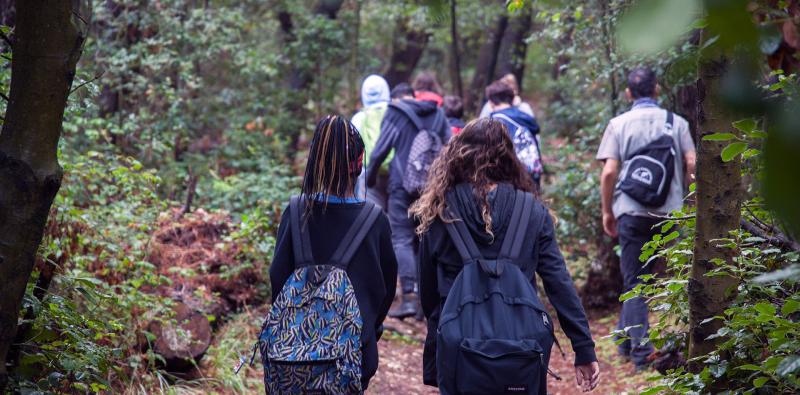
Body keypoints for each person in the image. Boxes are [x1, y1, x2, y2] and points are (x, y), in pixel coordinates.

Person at [411, 118, 600, 393]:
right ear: (509, 157)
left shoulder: (440, 211)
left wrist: (440, 332)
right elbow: (558, 281)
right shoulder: (532, 211)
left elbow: (427, 290)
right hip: (522, 346)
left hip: (460, 345)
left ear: (458, 156)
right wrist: (583, 347)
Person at [269, 115, 398, 391]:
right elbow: (384, 291)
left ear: (314, 160)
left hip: (291, 358)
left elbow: (277, 280)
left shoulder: (295, 213)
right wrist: (369, 332)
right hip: (351, 358)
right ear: (358, 162)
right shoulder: (375, 220)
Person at [596, 67, 696, 371]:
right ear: (656, 91)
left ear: (628, 94)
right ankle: (626, 341)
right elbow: (691, 161)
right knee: (645, 279)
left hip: (631, 210)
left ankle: (639, 352)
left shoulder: (619, 123)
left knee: (635, 282)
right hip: (667, 213)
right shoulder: (675, 122)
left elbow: (610, 171)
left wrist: (606, 210)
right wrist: (690, 199)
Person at [367, 83, 450, 319]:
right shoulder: (438, 114)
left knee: (402, 239)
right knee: (426, 240)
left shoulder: (396, 113)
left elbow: (380, 150)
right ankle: (428, 302)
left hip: (401, 186)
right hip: (431, 188)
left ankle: (410, 298)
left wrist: (371, 178)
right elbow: (449, 150)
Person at [486, 80, 544, 189]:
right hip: (533, 174)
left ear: (491, 101)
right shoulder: (525, 117)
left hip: (510, 180)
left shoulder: (495, 121)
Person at [352, 74, 392, 208]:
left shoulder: (359, 118)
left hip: (368, 174)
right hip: (395, 173)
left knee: (372, 218)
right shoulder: (395, 114)